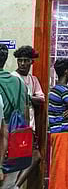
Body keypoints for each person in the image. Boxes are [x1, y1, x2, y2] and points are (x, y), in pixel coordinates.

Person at [10, 46, 44, 188]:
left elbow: (41, 99)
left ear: (31, 62)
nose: (23, 63)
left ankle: (15, 186)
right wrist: (30, 98)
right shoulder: (12, 77)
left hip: (30, 126)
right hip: (15, 126)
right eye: (20, 61)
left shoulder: (33, 79)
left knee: (35, 157)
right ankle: (14, 185)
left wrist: (27, 97)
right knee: (16, 160)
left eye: (26, 61)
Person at [0, 44, 29, 189]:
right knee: (10, 185)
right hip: (17, 144)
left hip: (2, 144)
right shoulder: (20, 83)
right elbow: (26, 115)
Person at [48, 58, 68, 189]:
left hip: (55, 132)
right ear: (66, 72)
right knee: (64, 167)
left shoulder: (54, 89)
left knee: (58, 166)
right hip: (63, 133)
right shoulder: (64, 90)